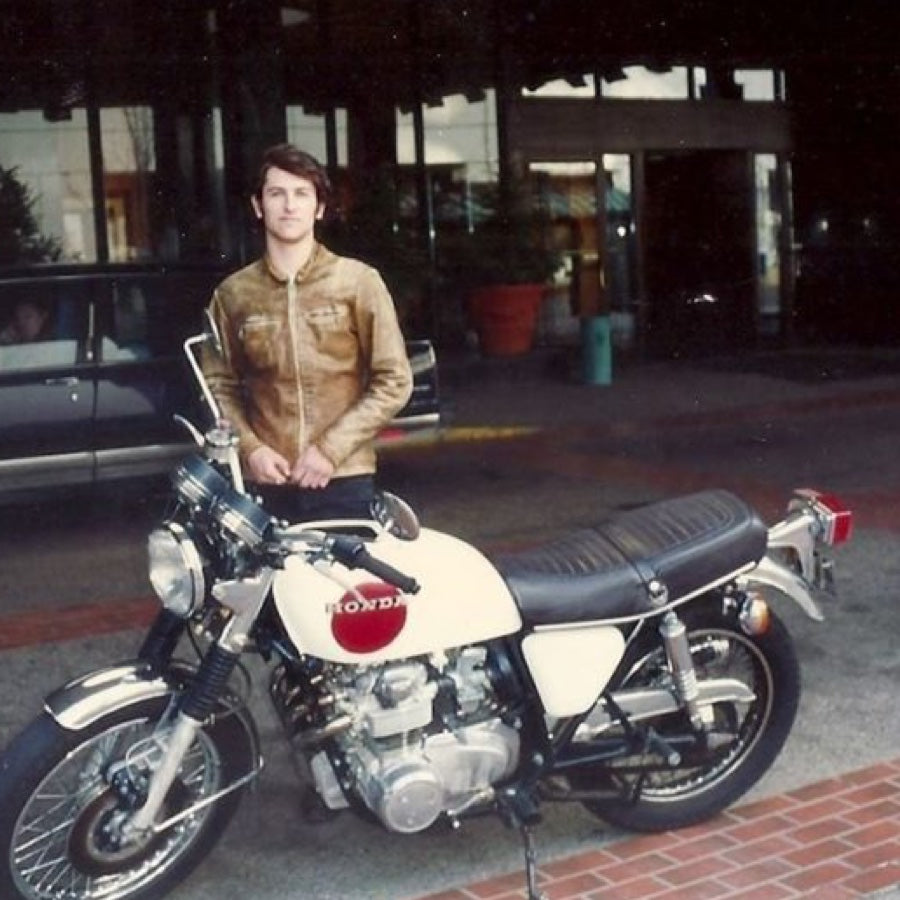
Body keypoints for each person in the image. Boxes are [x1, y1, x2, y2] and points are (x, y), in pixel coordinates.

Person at [202, 144, 413, 523]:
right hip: (265, 482)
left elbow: (394, 380)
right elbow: (217, 385)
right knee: (269, 585)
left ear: (319, 208)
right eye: (276, 193)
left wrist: (330, 450)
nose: (289, 205)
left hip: (343, 478)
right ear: (257, 205)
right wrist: (251, 449)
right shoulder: (233, 294)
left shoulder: (357, 282)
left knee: (341, 585)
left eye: (302, 194)